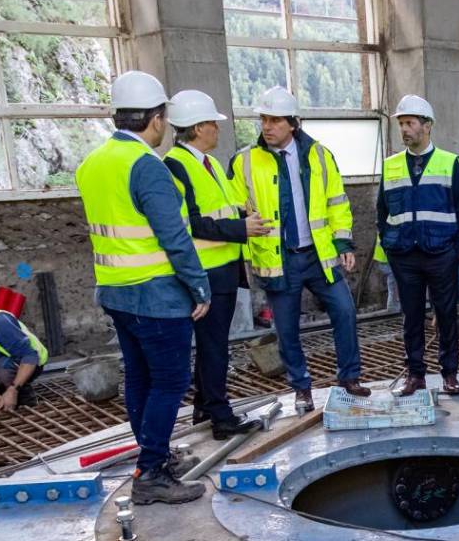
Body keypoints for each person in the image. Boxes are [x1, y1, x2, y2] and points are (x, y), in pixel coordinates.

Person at [75, 70, 210, 505]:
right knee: (170, 382)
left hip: (115, 292)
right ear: (156, 119)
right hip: (156, 296)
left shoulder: (93, 163)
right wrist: (199, 286)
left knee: (139, 378)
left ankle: (154, 458)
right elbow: (175, 238)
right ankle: (151, 472)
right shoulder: (146, 166)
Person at [232, 86, 370, 413]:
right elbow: (234, 208)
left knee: (345, 311)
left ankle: (349, 377)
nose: (267, 126)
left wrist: (343, 242)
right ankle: (302, 387)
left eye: (275, 120)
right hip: (278, 259)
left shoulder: (319, 155)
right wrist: (243, 233)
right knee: (287, 329)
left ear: (293, 123)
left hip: (319, 255)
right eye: (264, 119)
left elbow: (337, 202)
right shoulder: (244, 160)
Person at [162, 89, 269, 438]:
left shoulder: (205, 164)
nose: (217, 129)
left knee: (214, 345)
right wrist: (241, 228)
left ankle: (204, 409)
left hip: (222, 269)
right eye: (213, 123)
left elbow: (218, 209)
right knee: (213, 348)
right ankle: (221, 418)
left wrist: (242, 215)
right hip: (205, 272)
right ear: (197, 127)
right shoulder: (176, 166)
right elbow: (191, 223)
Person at [377, 94, 459, 396]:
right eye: (401, 123)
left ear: (427, 126)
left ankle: (450, 374)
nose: (404, 129)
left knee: (446, 315)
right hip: (405, 255)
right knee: (411, 317)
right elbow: (381, 212)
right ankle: (415, 375)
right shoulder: (391, 166)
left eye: (410, 123)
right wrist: (390, 246)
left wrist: (456, 252)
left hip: (441, 253)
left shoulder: (449, 162)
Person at [373, 236, 400, 312]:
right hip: (387, 257)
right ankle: (393, 306)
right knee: (394, 281)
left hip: (384, 257)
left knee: (393, 281)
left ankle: (393, 306)